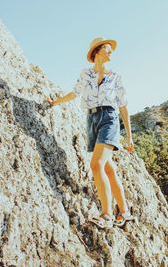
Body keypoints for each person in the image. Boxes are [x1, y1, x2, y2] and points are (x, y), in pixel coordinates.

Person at [46, 37, 135, 229]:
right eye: (107, 49)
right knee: (108, 168)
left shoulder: (116, 76)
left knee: (96, 165)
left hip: (109, 119)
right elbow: (74, 93)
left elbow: (124, 106)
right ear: (97, 52)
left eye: (112, 50)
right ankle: (125, 212)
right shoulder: (85, 74)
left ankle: (107, 215)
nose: (111, 52)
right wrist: (55, 102)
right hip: (91, 120)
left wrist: (129, 137)